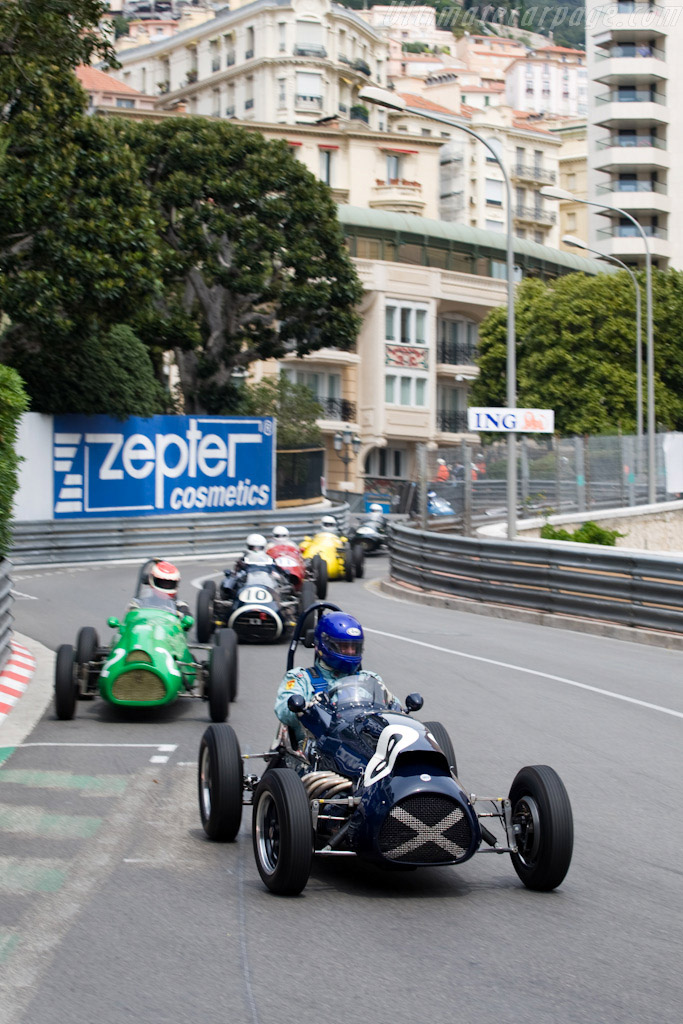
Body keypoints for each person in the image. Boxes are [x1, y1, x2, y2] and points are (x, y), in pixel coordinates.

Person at [274, 611, 392, 742]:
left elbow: (394, 710)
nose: (351, 652)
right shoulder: (301, 678)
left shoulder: (370, 679)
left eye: (354, 647)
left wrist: (395, 707)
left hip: (362, 747)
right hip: (316, 750)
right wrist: (307, 709)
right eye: (344, 646)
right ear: (325, 645)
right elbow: (283, 710)